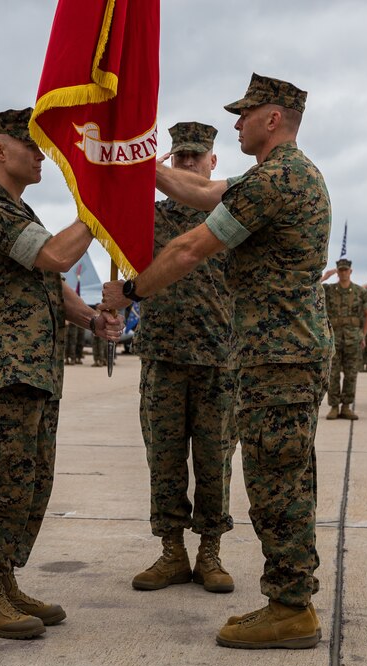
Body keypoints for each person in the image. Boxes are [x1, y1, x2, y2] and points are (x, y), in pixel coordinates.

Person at [103, 73, 331, 649]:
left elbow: (189, 247)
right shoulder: (282, 176)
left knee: (276, 481)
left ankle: (290, 607)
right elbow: (205, 195)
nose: (236, 125)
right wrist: (135, 164)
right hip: (278, 353)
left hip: (278, 356)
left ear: (272, 118)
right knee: (282, 476)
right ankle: (287, 597)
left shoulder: (277, 179)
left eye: (244, 115)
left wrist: (129, 295)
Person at [0, 108, 122, 640]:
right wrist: (98, 210)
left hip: (34, 371)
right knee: (1, 481)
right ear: (0, 151)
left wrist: (92, 317)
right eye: (32, 147)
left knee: (30, 481)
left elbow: (50, 284)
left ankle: (4, 582)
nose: (43, 155)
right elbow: (54, 256)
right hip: (3, 369)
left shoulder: (17, 210)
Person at [129, 121, 238, 596]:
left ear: (213, 163)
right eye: (181, 157)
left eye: (198, 157)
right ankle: (172, 550)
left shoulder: (233, 214)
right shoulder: (145, 216)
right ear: (171, 162)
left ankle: (210, 551)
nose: (189, 163)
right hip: (163, 353)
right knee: (165, 459)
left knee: (215, 460)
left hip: (220, 358)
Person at [321, 258, 367, 420]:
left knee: (351, 374)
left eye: (346, 270)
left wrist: (363, 335)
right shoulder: (329, 290)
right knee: (333, 374)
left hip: (353, 339)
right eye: (340, 270)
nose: (343, 273)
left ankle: (346, 407)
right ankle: (334, 407)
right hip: (334, 338)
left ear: (350, 271)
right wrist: (325, 276)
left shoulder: (360, 292)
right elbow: (311, 290)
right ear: (338, 271)